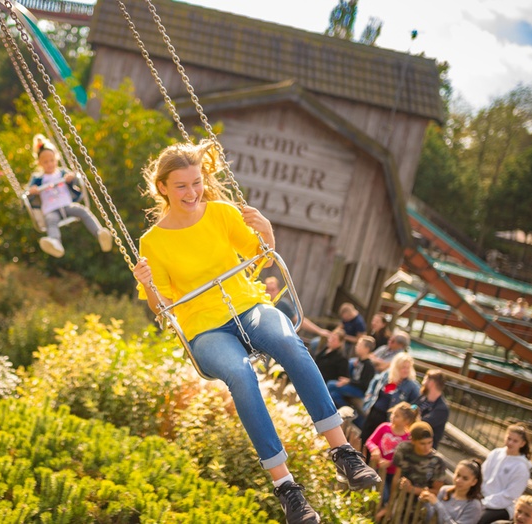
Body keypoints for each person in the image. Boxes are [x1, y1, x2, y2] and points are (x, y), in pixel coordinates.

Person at [132, 140, 380, 523]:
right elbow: (162, 307)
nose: (192, 192)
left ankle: (343, 453)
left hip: (248, 305)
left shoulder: (221, 213)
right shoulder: (153, 242)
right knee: (240, 373)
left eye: (196, 182)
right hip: (204, 327)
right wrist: (148, 283)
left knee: (288, 343)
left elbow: (261, 255)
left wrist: (267, 233)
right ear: (162, 187)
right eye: (181, 186)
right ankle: (287, 489)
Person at [28, 134, 112, 258]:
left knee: (83, 211)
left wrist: (71, 179)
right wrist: (33, 191)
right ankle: (55, 243)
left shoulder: (62, 172)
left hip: (67, 205)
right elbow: (29, 193)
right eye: (45, 162)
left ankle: (100, 233)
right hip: (51, 210)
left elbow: (76, 182)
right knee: (50, 221)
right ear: (39, 163)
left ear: (56, 159)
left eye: (52, 160)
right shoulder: (37, 178)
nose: (49, 164)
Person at [378, 421, 448, 522]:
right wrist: (390, 504)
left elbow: (437, 492)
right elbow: (396, 477)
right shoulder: (403, 449)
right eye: (422, 443)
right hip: (400, 501)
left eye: (430, 443)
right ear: (413, 441)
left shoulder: (437, 461)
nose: (427, 447)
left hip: (421, 508)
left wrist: (412, 489)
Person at [361, 352, 421, 446]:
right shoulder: (387, 376)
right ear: (396, 367)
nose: (405, 370)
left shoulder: (412, 386)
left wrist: (406, 415)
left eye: (408, 367)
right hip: (373, 412)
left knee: (378, 446)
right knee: (364, 441)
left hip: (388, 419)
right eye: (403, 367)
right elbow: (374, 381)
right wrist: (369, 395)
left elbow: (416, 405)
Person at [478, 425, 532, 524]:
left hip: (503, 506)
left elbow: (510, 495)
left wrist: (486, 502)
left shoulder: (521, 467)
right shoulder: (495, 454)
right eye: (509, 438)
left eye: (515, 441)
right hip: (482, 497)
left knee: (480, 520)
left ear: (522, 443)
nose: (510, 443)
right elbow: (482, 476)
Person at [366, 402, 418, 505]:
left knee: (385, 497)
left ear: (406, 421)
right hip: (377, 468)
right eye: (393, 413)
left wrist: (390, 463)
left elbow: (405, 458)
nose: (392, 417)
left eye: (397, 416)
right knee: (377, 493)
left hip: (393, 474)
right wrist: (375, 449)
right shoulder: (384, 427)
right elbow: (370, 441)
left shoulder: (407, 438)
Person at [420, 458, 484, 524]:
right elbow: (431, 519)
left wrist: (437, 504)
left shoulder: (474, 505)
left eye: (465, 479)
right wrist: (426, 502)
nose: (458, 480)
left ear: (474, 482)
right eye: (458, 475)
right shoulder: (444, 490)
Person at [264, 276, 330, 339]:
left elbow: (299, 320)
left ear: (278, 290)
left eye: (272, 290)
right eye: (267, 289)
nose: (269, 292)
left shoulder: (283, 304)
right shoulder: (259, 302)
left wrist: (319, 331)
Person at [327, 335, 376, 411]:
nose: (356, 347)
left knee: (331, 384)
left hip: (360, 390)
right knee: (334, 395)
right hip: (352, 385)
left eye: (359, 345)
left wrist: (349, 381)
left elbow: (364, 384)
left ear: (367, 349)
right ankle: (349, 411)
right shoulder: (357, 361)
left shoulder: (368, 365)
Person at [417, 370, 450, 448]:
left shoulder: (441, 409)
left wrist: (411, 415)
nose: (423, 383)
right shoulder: (423, 398)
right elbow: (412, 407)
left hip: (425, 447)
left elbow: (424, 423)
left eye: (425, 379)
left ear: (431, 383)